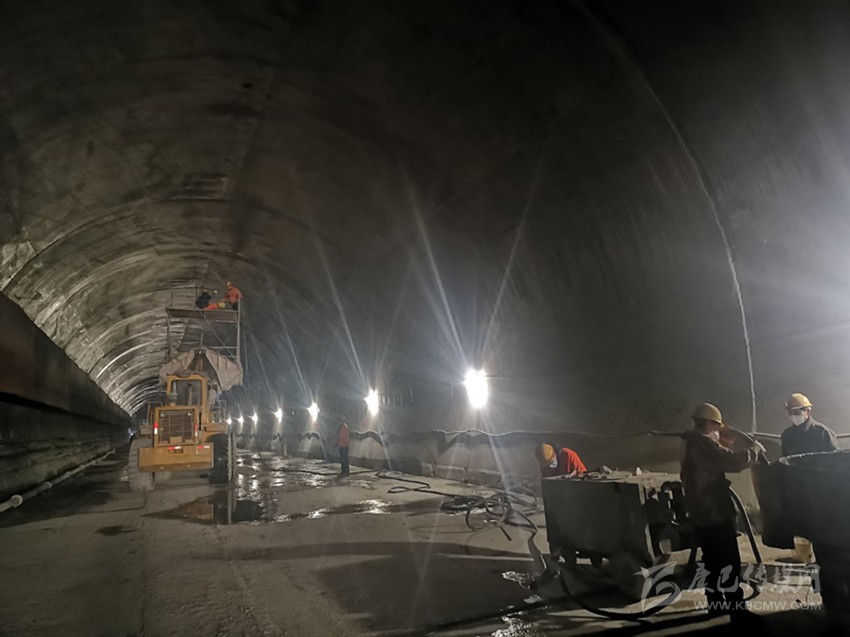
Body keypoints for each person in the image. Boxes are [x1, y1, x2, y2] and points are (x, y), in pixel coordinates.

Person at [680, 403, 763, 621]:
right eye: (716, 426)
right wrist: (754, 450)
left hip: (703, 515)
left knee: (712, 564)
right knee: (728, 563)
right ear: (708, 423)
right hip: (714, 514)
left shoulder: (692, 443)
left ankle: (716, 606)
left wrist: (723, 441)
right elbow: (731, 461)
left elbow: (716, 458)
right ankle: (737, 611)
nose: (718, 430)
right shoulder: (701, 444)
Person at [780, 393, 838, 457]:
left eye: (796, 412)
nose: (793, 415)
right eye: (790, 413)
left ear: (808, 411)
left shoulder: (822, 433)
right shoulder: (787, 435)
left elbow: (834, 459)